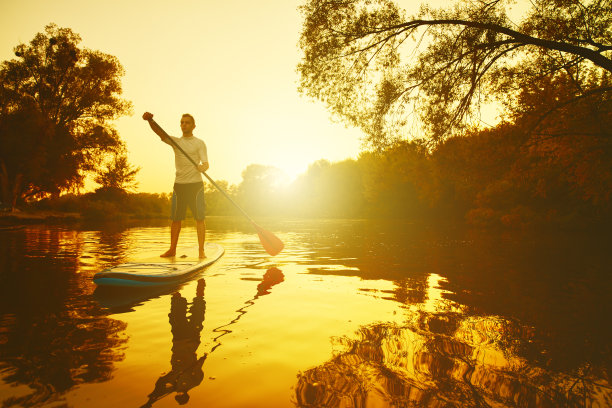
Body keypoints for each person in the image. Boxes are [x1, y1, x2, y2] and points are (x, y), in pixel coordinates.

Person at [142, 112, 209, 258]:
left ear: (193, 126)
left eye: (187, 122)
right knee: (176, 219)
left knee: (199, 219)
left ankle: (201, 250)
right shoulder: (176, 142)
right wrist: (150, 121)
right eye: (182, 122)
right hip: (179, 185)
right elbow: (160, 133)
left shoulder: (199, 143)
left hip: (195, 185)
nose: (184, 124)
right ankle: (172, 249)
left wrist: (202, 167)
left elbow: (206, 164)